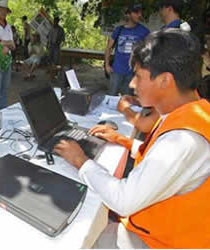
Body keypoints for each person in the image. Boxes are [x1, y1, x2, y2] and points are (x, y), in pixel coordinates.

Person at [54, 29, 210, 249]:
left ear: (165, 80)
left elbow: (124, 201)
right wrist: (122, 139)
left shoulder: (184, 140)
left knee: (75, 234)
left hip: (160, 242)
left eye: (138, 76)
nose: (132, 85)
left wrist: (80, 160)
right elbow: (160, 156)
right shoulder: (193, 111)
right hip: (158, 227)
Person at [104, 4, 150, 96]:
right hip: (116, 71)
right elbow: (108, 48)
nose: (139, 15)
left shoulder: (144, 31)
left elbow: (149, 51)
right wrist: (107, 65)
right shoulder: (119, 30)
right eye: (136, 12)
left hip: (132, 73)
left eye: (140, 12)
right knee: (111, 97)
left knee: (127, 100)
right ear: (128, 14)